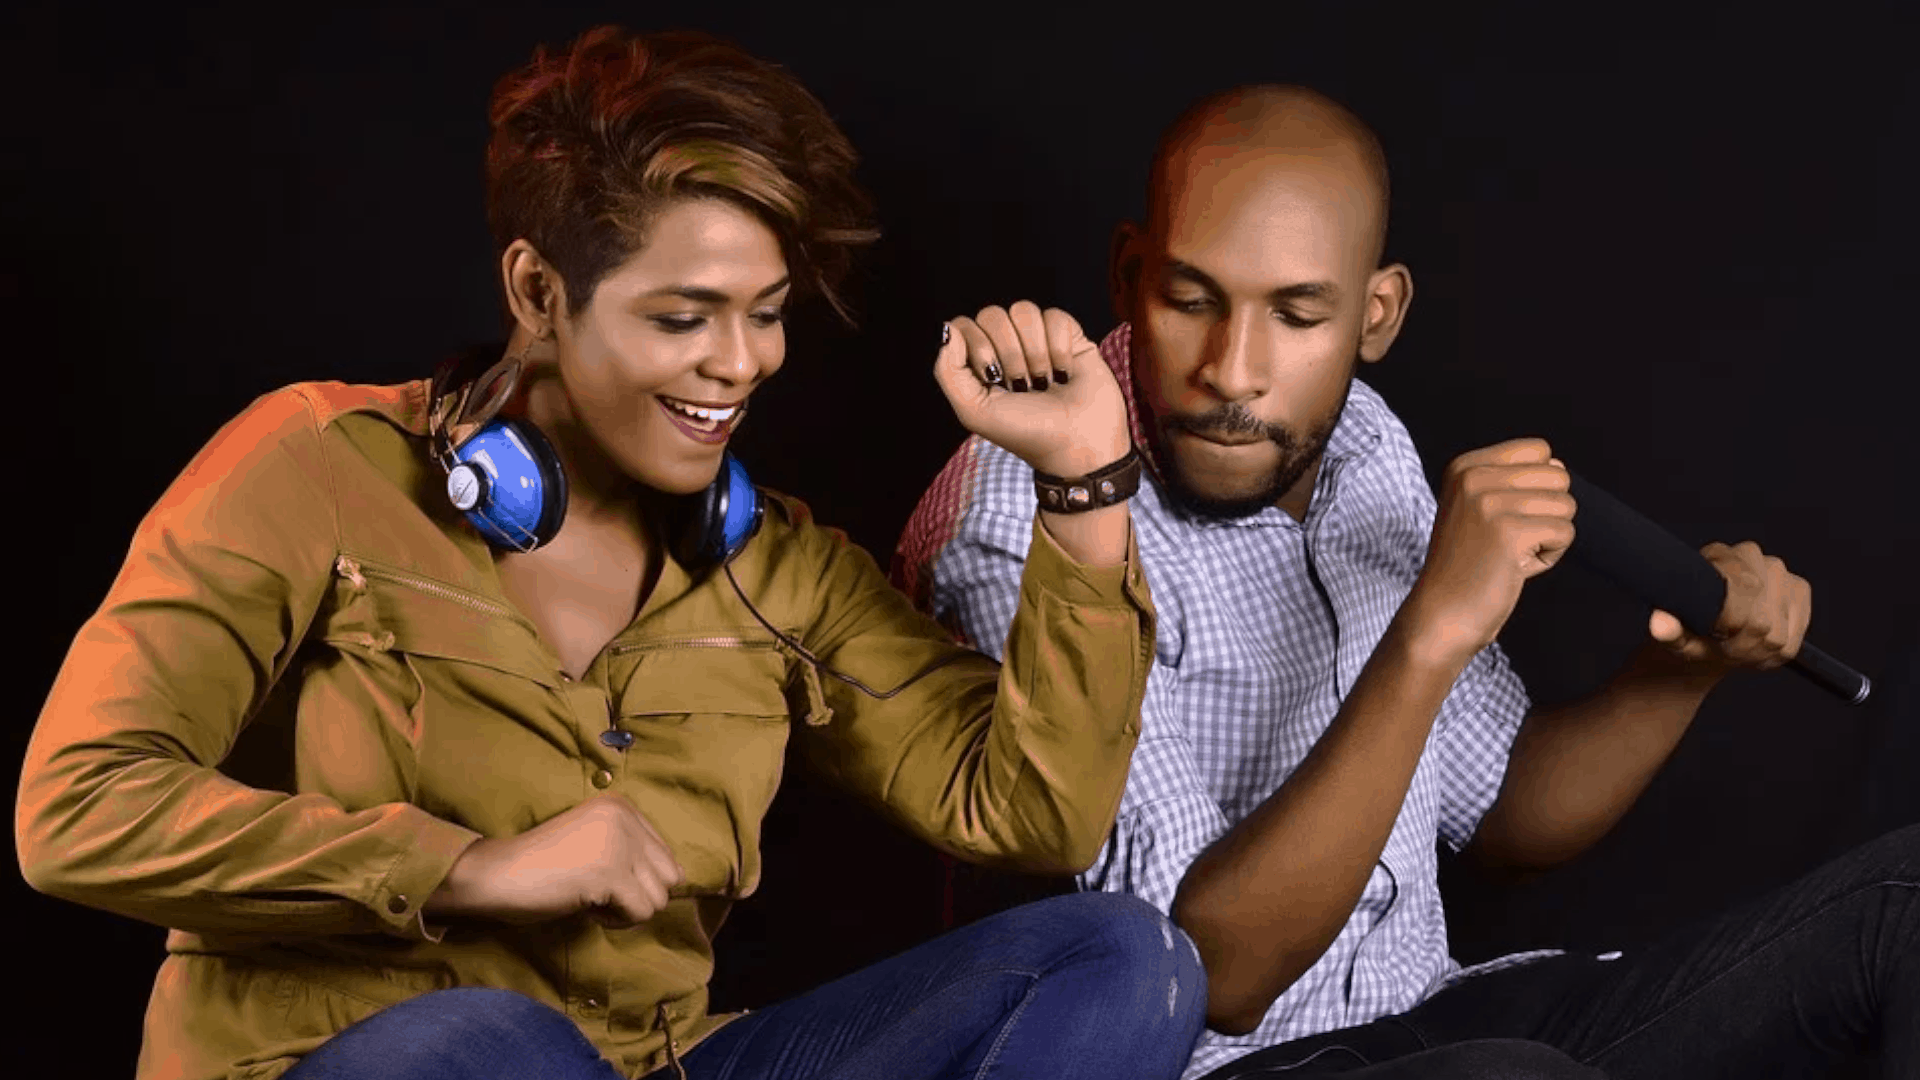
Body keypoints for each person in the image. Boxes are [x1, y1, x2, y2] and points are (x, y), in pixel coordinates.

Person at [14, 25, 1210, 1080]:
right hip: (351, 1059)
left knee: (1119, 959)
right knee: (487, 1044)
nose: (740, 365)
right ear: (539, 290)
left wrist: (1085, 483)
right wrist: (470, 868)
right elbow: (77, 808)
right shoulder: (315, 467)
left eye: (768, 311)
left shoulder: (780, 569)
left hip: (656, 1064)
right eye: (683, 317)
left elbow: (1031, 815)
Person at [893, 83, 1918, 1079]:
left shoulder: (1359, 443)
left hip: (1426, 1018)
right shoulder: (1023, 519)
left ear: (1376, 316)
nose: (1234, 370)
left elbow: (1508, 813)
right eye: (1190, 299)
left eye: (1299, 317)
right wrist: (1431, 630)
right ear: (1127, 274)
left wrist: (1684, 673)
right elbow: (1210, 982)